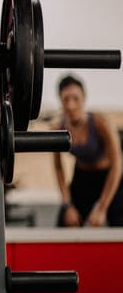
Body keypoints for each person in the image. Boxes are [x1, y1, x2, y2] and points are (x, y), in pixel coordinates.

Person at [52, 74, 123, 227]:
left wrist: (102, 207)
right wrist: (67, 204)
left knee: (119, 223)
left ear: (84, 99)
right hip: (82, 178)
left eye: (75, 99)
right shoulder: (58, 127)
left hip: (109, 176)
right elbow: (58, 168)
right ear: (60, 101)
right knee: (65, 222)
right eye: (66, 99)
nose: (71, 105)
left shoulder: (100, 123)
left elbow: (117, 165)